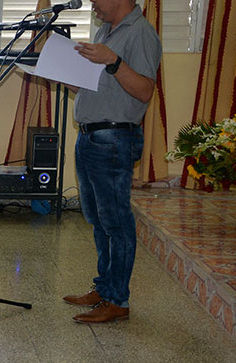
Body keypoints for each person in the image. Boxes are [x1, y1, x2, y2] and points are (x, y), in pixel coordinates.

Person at [61, 0, 161, 324]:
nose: (92, 3)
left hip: (114, 140)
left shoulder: (141, 33)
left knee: (116, 222)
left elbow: (145, 90)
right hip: (90, 136)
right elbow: (99, 86)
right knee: (99, 219)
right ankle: (104, 287)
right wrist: (66, 75)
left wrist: (114, 61)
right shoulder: (106, 30)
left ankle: (117, 299)